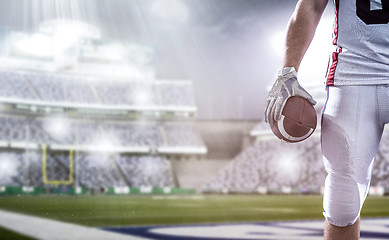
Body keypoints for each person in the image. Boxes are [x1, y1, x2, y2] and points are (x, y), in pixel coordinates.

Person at [264, 0, 389, 239]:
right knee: (342, 203)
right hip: (354, 74)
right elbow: (311, 5)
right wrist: (288, 71)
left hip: (353, 74)